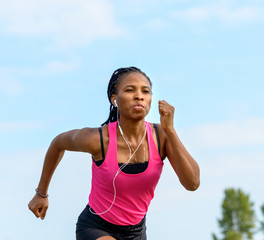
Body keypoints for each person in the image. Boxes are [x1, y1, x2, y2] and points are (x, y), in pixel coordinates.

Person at [28, 66, 200, 240]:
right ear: (114, 100)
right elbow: (58, 143)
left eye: (145, 91)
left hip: (137, 232)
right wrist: (41, 193)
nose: (139, 95)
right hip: (96, 227)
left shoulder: (161, 136)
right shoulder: (97, 139)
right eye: (129, 90)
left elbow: (192, 183)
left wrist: (170, 130)